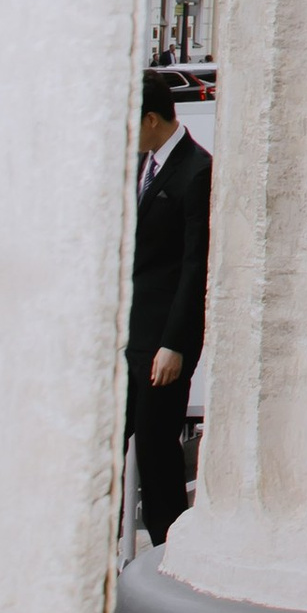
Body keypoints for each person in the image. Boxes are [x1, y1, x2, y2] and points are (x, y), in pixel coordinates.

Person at [127, 71, 211, 547]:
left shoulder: (197, 170)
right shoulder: (144, 164)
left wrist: (175, 343)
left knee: (157, 453)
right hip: (129, 337)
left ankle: (168, 551)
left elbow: (194, 266)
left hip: (163, 343)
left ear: (152, 120)